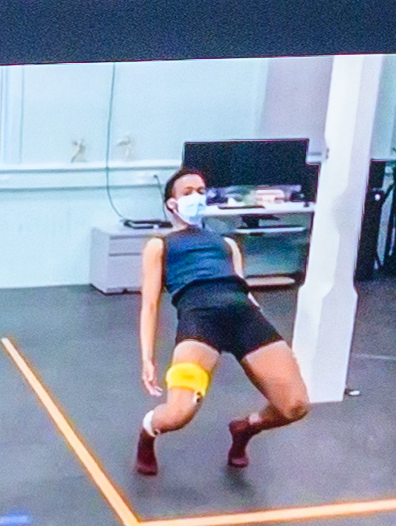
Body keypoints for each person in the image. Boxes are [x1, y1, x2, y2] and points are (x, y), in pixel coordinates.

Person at [132, 160, 313, 481]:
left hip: (244, 318)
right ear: (171, 204)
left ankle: (244, 429)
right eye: (188, 192)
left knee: (295, 405)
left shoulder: (227, 244)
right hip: (200, 323)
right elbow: (149, 305)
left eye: (201, 191)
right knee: (178, 414)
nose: (197, 196)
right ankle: (148, 434)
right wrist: (147, 358)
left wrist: (273, 340)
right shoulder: (160, 245)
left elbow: (245, 292)